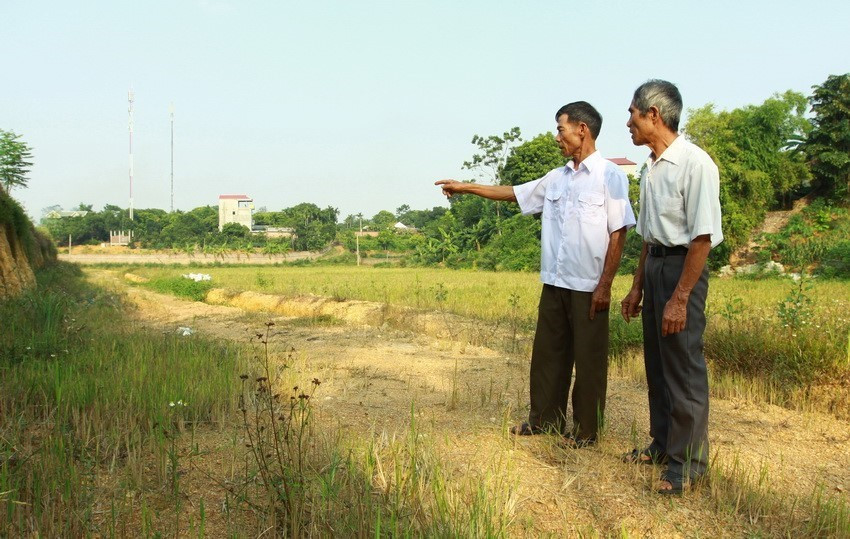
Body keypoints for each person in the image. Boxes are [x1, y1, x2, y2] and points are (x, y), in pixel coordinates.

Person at [436, 101, 635, 446]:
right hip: (554, 283)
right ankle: (544, 420)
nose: (557, 136)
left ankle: (586, 432)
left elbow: (619, 232)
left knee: (589, 363)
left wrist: (605, 286)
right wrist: (465, 186)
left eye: (561, 129)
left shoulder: (610, 176)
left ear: (581, 130)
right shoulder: (556, 178)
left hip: (589, 286)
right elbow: (513, 193)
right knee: (548, 355)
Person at [620, 80, 723, 494]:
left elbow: (701, 238)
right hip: (657, 267)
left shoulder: (696, 164)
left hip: (684, 271)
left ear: (653, 115)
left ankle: (689, 464)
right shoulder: (651, 168)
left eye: (632, 114)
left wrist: (680, 298)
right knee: (658, 366)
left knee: (683, 368)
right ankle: (662, 445)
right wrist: (636, 287)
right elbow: (649, 236)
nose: (628, 122)